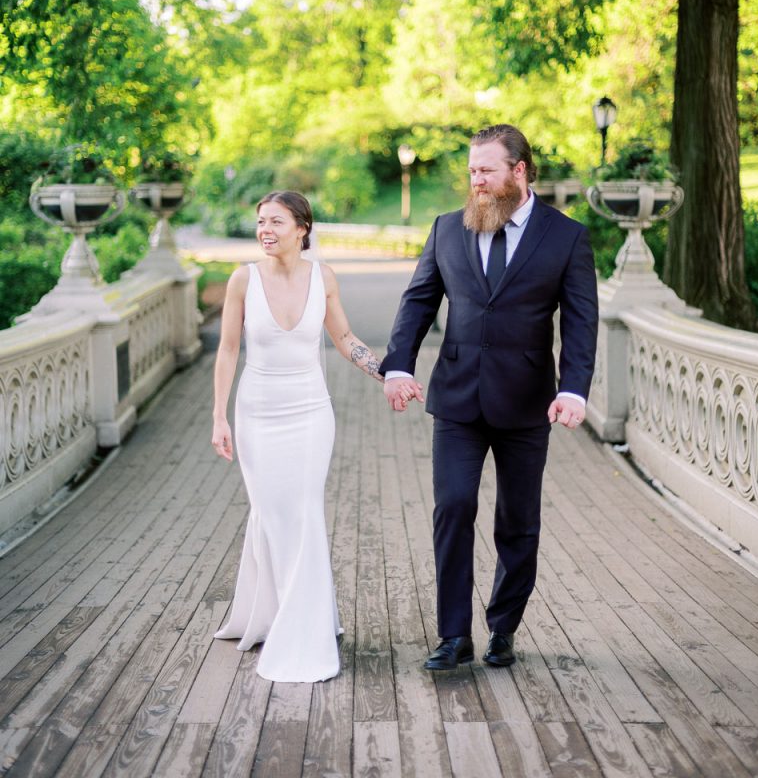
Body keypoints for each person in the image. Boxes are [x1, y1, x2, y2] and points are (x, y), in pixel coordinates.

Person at [381, 124, 598, 671]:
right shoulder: (447, 229)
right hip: (456, 399)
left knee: (518, 520)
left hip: (527, 403)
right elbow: (418, 302)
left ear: (518, 171)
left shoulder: (566, 237)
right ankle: (454, 635)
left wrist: (573, 388)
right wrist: (398, 366)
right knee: (453, 507)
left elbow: (581, 321)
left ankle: (503, 626)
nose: (475, 180)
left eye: (486, 170)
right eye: (472, 170)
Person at [211, 191, 404, 683]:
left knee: (301, 512)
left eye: (276, 221)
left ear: (302, 227)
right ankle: (268, 611)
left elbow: (345, 340)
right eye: (260, 222)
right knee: (272, 512)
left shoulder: (324, 277)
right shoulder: (242, 280)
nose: (265, 229)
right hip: (257, 415)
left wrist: (390, 373)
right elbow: (228, 350)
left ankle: (304, 625)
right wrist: (219, 416)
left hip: (311, 414)